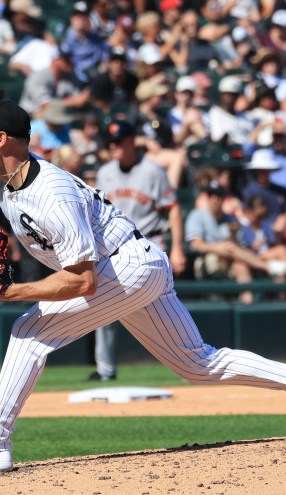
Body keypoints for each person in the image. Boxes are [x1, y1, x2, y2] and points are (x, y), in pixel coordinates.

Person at [0, 51, 286, 477]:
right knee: (198, 363)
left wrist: (11, 293)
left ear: (2, 139)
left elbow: (83, 281)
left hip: (125, 267)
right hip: (135, 265)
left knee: (28, 333)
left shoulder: (52, 195)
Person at [87, 120, 187, 381]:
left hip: (149, 244)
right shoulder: (105, 172)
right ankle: (105, 369)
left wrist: (177, 248)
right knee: (104, 307)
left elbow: (172, 208)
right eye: (110, 143)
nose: (114, 147)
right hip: (113, 248)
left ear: (133, 141)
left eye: (119, 142)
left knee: (163, 309)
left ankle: (187, 360)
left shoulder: (152, 171)